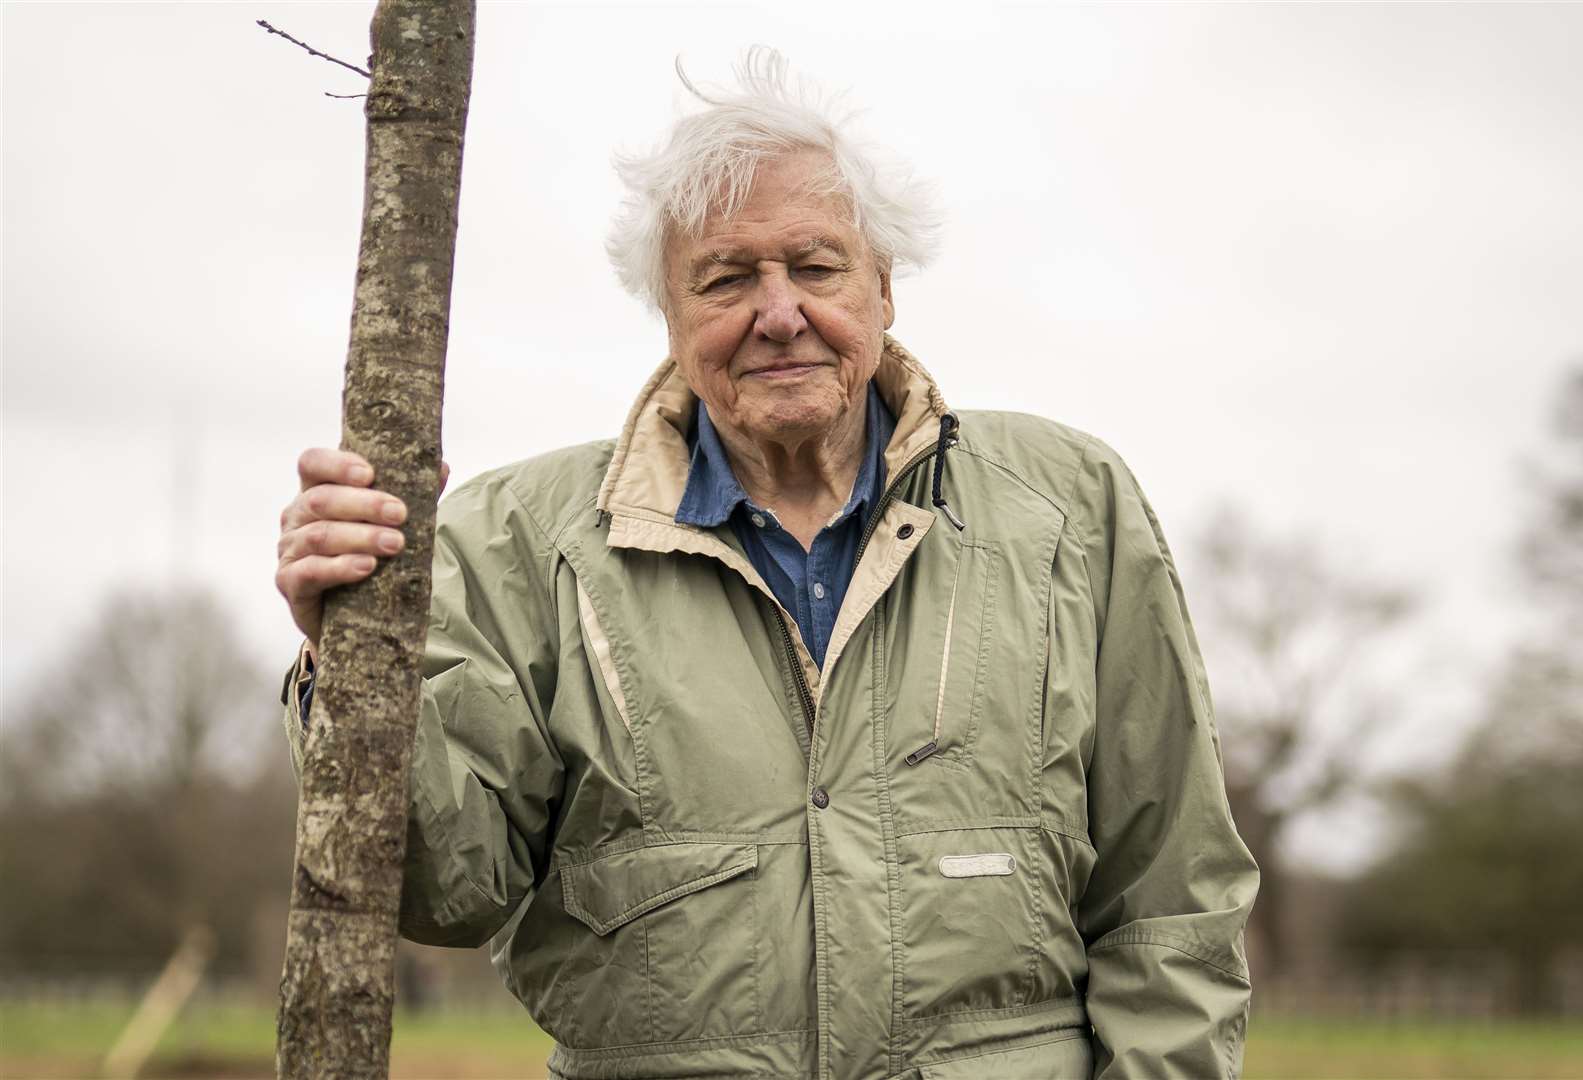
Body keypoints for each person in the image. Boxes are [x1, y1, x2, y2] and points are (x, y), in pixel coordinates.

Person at [275, 49, 1257, 1080]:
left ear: (883, 286)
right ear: (670, 310)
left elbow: (1172, 902)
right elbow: (444, 888)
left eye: (817, 267)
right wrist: (351, 658)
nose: (778, 311)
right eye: (728, 277)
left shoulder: (1069, 506)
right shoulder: (516, 542)